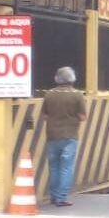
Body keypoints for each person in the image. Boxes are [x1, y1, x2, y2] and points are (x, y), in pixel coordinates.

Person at [42, 66, 86, 207]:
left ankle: (54, 197)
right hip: (70, 136)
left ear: (57, 78)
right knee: (66, 167)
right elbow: (83, 117)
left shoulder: (49, 94)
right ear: (72, 78)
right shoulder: (77, 95)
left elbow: (44, 115)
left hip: (52, 136)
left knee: (54, 167)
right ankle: (61, 198)